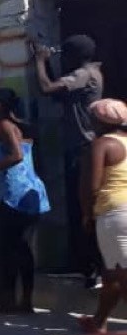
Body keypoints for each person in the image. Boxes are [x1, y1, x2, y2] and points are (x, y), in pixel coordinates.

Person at [33, 34, 104, 288]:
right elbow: (57, 93)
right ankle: (91, 267)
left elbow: (46, 88)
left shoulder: (83, 74)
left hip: (83, 151)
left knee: (84, 211)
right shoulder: (88, 74)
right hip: (81, 149)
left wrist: (40, 61)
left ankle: (93, 268)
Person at [0, 89, 50, 314]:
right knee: (22, 249)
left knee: (8, 249)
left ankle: (8, 303)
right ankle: (25, 301)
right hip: (26, 191)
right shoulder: (21, 126)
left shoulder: (4, 126)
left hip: (16, 193)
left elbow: (16, 156)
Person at [80, 99, 127, 332]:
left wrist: (87, 213)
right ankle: (99, 321)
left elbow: (93, 185)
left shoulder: (102, 144)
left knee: (121, 272)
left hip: (114, 212)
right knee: (111, 271)